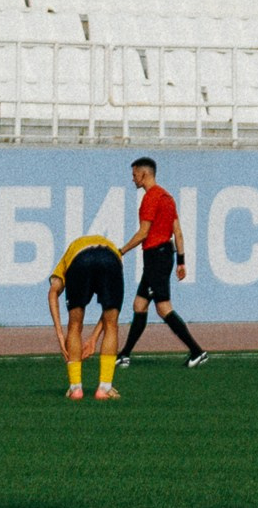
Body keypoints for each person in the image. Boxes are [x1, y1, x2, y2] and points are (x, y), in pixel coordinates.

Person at [116, 157, 207, 367]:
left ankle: (197, 351)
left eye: (134, 174)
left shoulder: (151, 198)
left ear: (144, 173)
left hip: (156, 257)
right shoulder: (168, 197)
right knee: (139, 305)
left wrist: (121, 251)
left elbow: (143, 233)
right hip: (164, 255)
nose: (133, 178)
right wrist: (181, 262)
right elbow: (178, 233)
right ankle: (125, 354)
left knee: (163, 307)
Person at [48, 230, 125, 400]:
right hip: (110, 258)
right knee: (112, 324)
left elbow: (53, 292)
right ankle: (104, 389)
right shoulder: (114, 252)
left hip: (80, 260)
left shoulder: (67, 256)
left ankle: (75, 389)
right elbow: (108, 315)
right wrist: (94, 338)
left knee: (74, 326)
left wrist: (61, 335)